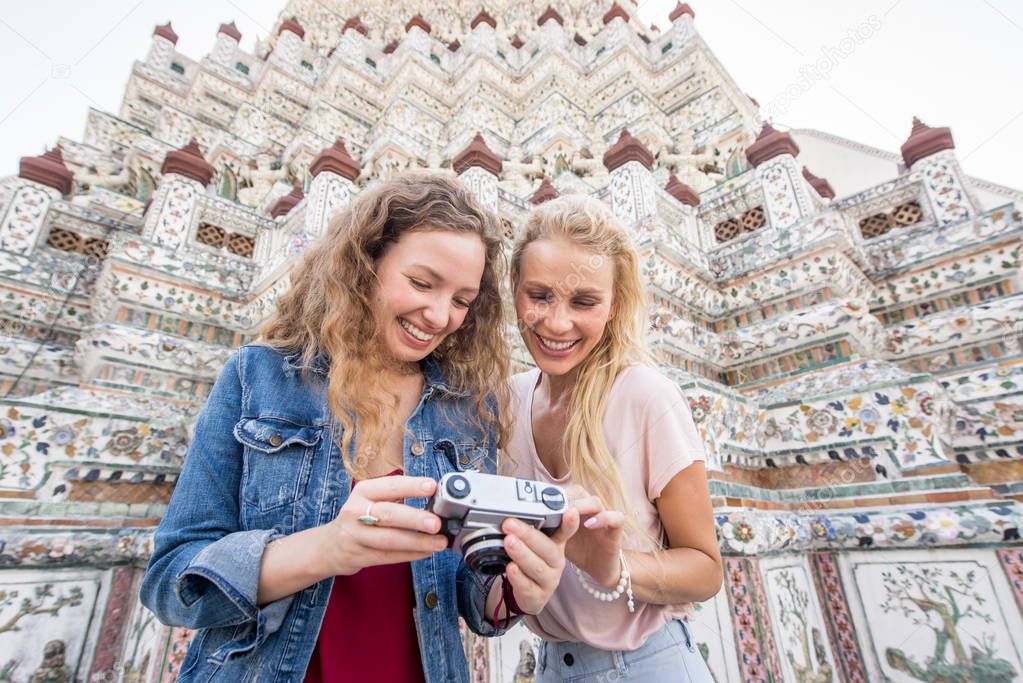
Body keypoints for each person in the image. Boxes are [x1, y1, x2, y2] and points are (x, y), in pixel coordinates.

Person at [140, 173, 580, 682]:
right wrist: (327, 548)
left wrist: (517, 590)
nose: (440, 315)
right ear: (365, 264)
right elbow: (172, 581)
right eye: (421, 283)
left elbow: (469, 594)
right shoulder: (257, 378)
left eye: (462, 299)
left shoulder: (467, 408)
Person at [505, 194, 722, 682]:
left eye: (584, 301)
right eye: (539, 296)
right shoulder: (508, 401)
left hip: (650, 663)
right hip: (551, 667)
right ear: (514, 290)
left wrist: (613, 567)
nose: (557, 323)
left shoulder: (646, 396)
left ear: (613, 306)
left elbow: (706, 570)